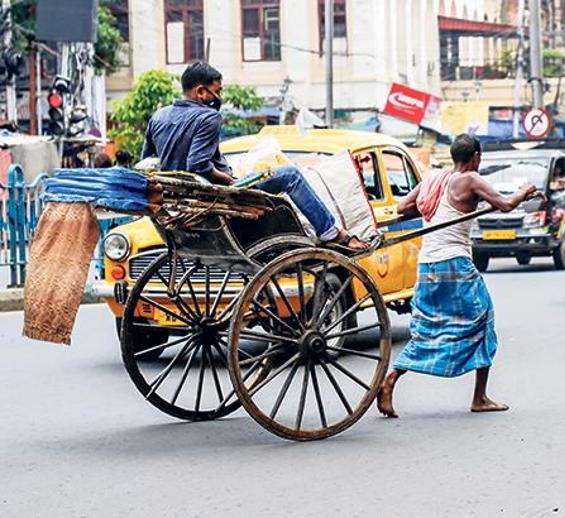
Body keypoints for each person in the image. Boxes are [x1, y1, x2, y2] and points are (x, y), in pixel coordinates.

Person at [377, 134, 538, 418]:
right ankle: (480, 397)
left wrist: (433, 208)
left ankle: (391, 379)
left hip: (427, 266)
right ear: (476, 156)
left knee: (426, 328)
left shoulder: (432, 178)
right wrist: (525, 192)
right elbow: (505, 205)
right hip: (455, 264)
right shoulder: (470, 179)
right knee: (484, 319)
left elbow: (403, 208)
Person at [141, 61, 365, 249]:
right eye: (216, 92)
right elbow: (198, 164)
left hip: (181, 201)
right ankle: (331, 232)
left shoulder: (158, 117)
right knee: (290, 175)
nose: (218, 97)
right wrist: (230, 180)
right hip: (215, 198)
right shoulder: (208, 117)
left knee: (266, 172)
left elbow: (147, 161)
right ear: (200, 92)